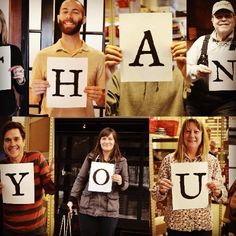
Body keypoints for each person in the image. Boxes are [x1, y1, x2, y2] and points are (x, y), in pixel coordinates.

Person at [152, 118, 227, 236]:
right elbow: (155, 196)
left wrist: (218, 192)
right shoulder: (169, 160)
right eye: (187, 131)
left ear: (202, 134)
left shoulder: (212, 161)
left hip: (202, 224)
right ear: (182, 135)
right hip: (176, 225)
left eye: (196, 131)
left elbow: (224, 197)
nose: (192, 135)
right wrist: (161, 189)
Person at [30, 0, 105, 117]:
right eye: (65, 12)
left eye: (75, 12)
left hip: (84, 125)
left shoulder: (98, 57)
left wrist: (101, 97)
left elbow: (102, 103)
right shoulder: (42, 56)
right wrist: (35, 91)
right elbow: (33, 99)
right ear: (58, 17)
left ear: (84, 19)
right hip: (51, 123)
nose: (69, 16)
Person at [67, 127, 129, 236]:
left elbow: (126, 185)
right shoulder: (91, 157)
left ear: (115, 142)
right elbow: (80, 179)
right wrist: (71, 199)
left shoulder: (122, 161)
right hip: (87, 208)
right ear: (99, 141)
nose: (107, 141)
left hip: (109, 210)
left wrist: (120, 181)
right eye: (103, 138)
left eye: (110, 139)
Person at [105, 41, 188, 116]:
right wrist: (105, 77)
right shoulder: (119, 75)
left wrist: (191, 70)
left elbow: (196, 107)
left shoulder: (181, 75)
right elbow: (105, 109)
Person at [0, 121, 55, 236]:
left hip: (36, 230)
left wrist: (54, 179)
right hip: (9, 230)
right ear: (3, 144)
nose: (12, 144)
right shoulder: (1, 166)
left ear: (23, 141)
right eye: (7, 140)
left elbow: (50, 190)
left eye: (16, 139)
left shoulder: (36, 158)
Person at [186, 0, 236, 115]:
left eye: (227, 16)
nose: (223, 19)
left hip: (228, 104)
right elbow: (185, 70)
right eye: (219, 16)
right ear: (212, 20)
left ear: (234, 19)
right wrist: (196, 71)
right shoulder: (201, 41)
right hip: (197, 102)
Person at [0, 9, 27, 116]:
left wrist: (21, 79)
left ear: (2, 26)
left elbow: (22, 90)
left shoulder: (12, 51)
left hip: (5, 110)